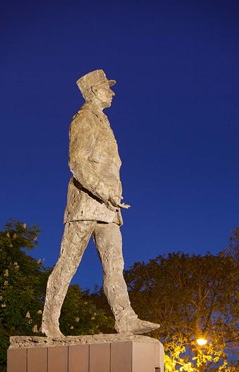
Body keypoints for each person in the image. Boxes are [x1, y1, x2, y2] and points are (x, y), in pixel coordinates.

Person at [42, 69, 159, 337]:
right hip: (85, 203)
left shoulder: (102, 121)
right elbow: (77, 163)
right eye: (108, 88)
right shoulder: (84, 119)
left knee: (115, 264)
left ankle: (125, 318)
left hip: (108, 207)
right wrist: (103, 189)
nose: (112, 92)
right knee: (68, 262)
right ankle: (49, 321)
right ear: (95, 92)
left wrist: (111, 196)